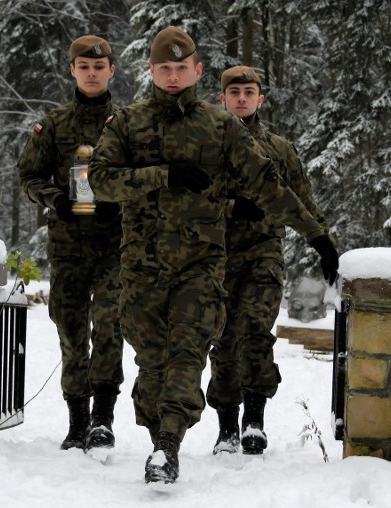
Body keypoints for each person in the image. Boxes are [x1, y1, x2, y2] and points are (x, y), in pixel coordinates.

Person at [88, 27, 339, 484]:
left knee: (188, 353)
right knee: (152, 362)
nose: (172, 75)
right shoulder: (128, 123)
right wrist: (162, 175)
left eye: (181, 68)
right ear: (151, 70)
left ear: (197, 71)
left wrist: (316, 235)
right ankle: (159, 431)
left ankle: (167, 446)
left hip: (201, 266)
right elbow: (99, 181)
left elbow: (268, 185)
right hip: (142, 267)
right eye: (164, 67)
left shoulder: (219, 126)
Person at [207, 65, 332, 456]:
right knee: (223, 338)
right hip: (217, 257)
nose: (241, 98)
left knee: (256, 333)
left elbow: (302, 200)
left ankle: (254, 423)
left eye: (249, 92)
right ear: (222, 98)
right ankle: (227, 428)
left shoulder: (279, 148)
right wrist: (229, 207)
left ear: (260, 98)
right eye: (234, 92)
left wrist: (324, 240)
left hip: (264, 254)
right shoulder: (208, 145)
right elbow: (190, 201)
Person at [18, 35, 124, 452]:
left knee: (111, 324)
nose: (92, 73)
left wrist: (123, 202)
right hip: (68, 245)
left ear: (112, 70)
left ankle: (102, 419)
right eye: (84, 66)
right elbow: (29, 176)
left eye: (99, 66)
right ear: (73, 71)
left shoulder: (128, 122)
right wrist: (55, 200)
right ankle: (77, 421)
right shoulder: (54, 124)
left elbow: (145, 175)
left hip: (116, 244)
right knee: (71, 328)